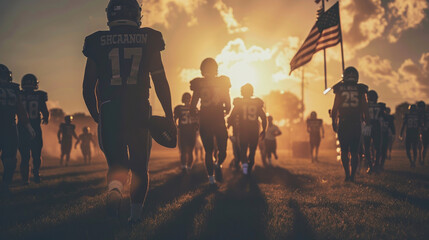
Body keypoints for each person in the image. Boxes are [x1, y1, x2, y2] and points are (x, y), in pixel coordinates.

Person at [82, 0, 175, 224]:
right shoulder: (149, 38)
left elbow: (87, 87)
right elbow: (160, 80)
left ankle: (115, 189)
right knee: (139, 166)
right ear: (136, 14)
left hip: (110, 107)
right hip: (139, 109)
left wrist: (97, 114)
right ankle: (135, 217)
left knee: (117, 164)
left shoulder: (96, 41)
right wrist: (169, 115)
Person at [190, 58, 231, 185]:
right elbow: (228, 102)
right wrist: (226, 109)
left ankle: (214, 172)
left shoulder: (199, 83)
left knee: (214, 150)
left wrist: (196, 116)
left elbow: (193, 105)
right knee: (217, 150)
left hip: (208, 119)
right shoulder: (222, 81)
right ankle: (214, 172)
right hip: (215, 119)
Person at [0, 64, 35, 193]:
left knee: (10, 160)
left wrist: (27, 125)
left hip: (10, 126)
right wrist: (28, 125)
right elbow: (20, 110)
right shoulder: (13, 89)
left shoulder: (14, 89)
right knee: (10, 160)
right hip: (10, 126)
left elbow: (20, 109)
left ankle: (5, 185)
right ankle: (5, 184)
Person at [331, 66, 369, 182]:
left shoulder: (340, 88)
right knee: (354, 151)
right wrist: (367, 121)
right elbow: (365, 108)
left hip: (344, 122)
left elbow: (335, 108)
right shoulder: (360, 89)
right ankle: (352, 176)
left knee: (344, 150)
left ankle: (347, 175)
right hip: (356, 123)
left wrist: (334, 121)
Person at [228, 83, 267, 175]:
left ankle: (245, 171)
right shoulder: (257, 103)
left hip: (243, 129)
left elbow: (232, 116)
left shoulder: (239, 103)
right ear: (252, 91)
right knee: (252, 151)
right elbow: (263, 117)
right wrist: (264, 129)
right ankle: (248, 169)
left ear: (242, 92)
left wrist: (228, 125)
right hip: (254, 129)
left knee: (243, 150)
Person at [18, 74, 49, 184]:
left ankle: (25, 179)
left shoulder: (19, 95)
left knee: (25, 156)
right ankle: (36, 174)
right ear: (35, 84)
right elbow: (45, 110)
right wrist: (46, 118)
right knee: (36, 155)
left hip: (21, 128)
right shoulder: (39, 95)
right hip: (35, 127)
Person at [174, 92, 198, 172]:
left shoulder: (194, 108)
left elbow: (198, 121)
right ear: (183, 99)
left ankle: (188, 166)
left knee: (190, 150)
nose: (187, 100)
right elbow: (175, 119)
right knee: (183, 150)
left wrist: (197, 128)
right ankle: (184, 166)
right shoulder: (179, 108)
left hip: (191, 132)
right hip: (183, 131)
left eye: (188, 98)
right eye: (186, 98)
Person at [363, 90, 384, 173]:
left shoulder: (365, 105)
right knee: (377, 148)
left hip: (367, 126)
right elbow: (382, 117)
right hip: (376, 126)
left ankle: (370, 166)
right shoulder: (380, 106)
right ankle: (376, 165)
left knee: (367, 148)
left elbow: (362, 117)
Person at [380, 104, 395, 170]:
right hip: (381, 134)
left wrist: (393, 133)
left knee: (382, 151)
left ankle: (380, 165)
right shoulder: (388, 117)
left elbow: (392, 126)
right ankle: (379, 165)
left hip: (383, 134)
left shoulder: (388, 117)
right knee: (381, 151)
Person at [417, 101, 426, 165]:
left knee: (424, 146)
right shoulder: (417, 114)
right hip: (418, 131)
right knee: (419, 146)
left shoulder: (425, 114)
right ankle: (420, 157)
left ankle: (422, 158)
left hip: (424, 131)